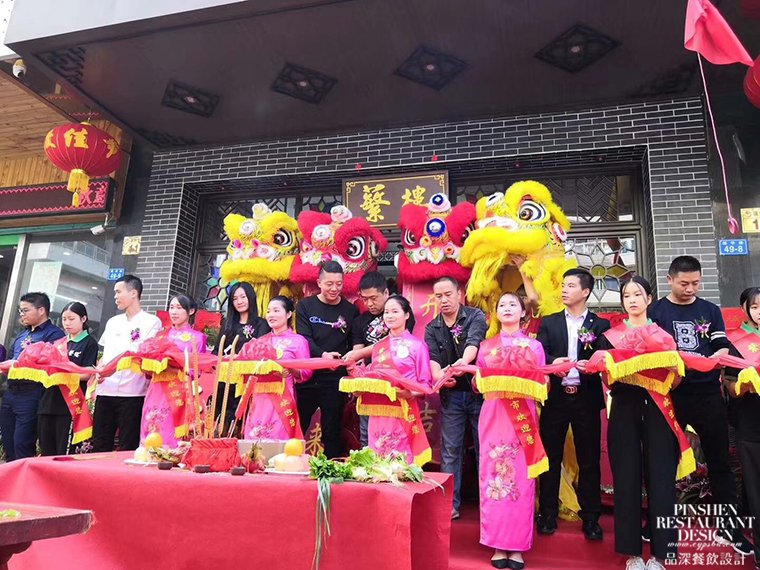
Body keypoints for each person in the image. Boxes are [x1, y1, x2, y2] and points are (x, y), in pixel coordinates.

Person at [648, 256, 752, 555]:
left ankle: (729, 528)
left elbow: (720, 344)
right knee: (663, 462)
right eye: (684, 283)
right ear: (669, 280)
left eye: (695, 283)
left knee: (719, 461)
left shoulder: (709, 310)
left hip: (707, 393)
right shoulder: (656, 311)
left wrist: (716, 356)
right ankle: (658, 527)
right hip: (671, 395)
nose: (690, 289)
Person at [598, 277, 681, 570]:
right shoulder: (610, 337)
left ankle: (661, 554)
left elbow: (676, 378)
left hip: (658, 408)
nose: (632, 300)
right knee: (626, 478)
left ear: (649, 299)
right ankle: (632, 553)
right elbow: (607, 378)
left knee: (662, 479)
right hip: (624, 407)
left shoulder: (664, 334)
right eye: (627, 295)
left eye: (637, 294)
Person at [536, 268, 610, 540]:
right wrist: (552, 362)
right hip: (555, 398)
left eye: (570, 285)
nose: (564, 290)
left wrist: (594, 364)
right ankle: (548, 514)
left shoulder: (600, 325)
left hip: (585, 398)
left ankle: (591, 518)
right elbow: (539, 353)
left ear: (585, 292)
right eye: (563, 285)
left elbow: (606, 356)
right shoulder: (550, 322)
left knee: (588, 459)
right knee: (550, 457)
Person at [477, 292, 546, 570]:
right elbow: (477, 384)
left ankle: (517, 546)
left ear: (523, 312)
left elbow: (543, 384)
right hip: (493, 415)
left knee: (520, 479)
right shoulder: (486, 346)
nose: (507, 308)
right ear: (496, 313)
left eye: (512, 305)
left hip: (522, 419)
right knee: (493, 476)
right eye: (502, 305)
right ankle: (496, 543)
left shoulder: (534, 346)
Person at [425, 276, 487, 520]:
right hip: (451, 396)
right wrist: (440, 377)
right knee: (451, 450)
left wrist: (464, 362)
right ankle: (449, 504)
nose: (443, 300)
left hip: (479, 394)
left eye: (448, 294)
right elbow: (433, 359)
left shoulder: (475, 316)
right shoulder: (432, 327)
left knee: (485, 448)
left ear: (459, 294)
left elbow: (474, 343)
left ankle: (489, 503)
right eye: (438, 296)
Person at [296, 261, 360, 458]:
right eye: (329, 284)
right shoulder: (305, 306)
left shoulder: (350, 311)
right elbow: (303, 339)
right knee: (298, 425)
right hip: (308, 376)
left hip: (335, 378)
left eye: (339, 284)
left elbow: (353, 345)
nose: (334, 288)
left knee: (332, 429)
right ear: (319, 283)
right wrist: (323, 355)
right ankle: (290, 464)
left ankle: (331, 467)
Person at [93, 275, 162, 452]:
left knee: (128, 445)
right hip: (106, 389)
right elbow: (104, 354)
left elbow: (148, 355)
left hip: (133, 392)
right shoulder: (113, 322)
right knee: (100, 443)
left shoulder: (151, 322)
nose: (115, 296)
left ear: (133, 293)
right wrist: (99, 369)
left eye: (118, 292)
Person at [364, 295, 433, 465]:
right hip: (379, 411)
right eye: (386, 312)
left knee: (400, 458)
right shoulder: (378, 347)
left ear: (406, 315)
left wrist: (410, 393)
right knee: (378, 458)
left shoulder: (417, 346)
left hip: (403, 410)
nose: (389, 316)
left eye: (395, 311)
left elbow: (425, 383)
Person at [0, 292, 65, 460]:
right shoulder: (23, 334)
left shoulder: (54, 335)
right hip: (11, 392)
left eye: (26, 310)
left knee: (22, 444)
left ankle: (25, 477)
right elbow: (10, 359)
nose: (22, 314)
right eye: (20, 311)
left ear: (41, 310)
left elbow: (51, 365)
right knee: (8, 443)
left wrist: (18, 364)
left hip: (32, 393)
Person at [240, 296, 312, 439]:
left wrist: (290, 369)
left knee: (278, 436)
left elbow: (306, 373)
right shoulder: (260, 341)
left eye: (276, 311)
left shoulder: (298, 341)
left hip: (283, 399)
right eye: (268, 311)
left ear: (288, 314)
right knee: (254, 437)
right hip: (259, 398)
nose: (271, 315)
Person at [140, 294, 207, 447]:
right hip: (156, 388)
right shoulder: (161, 335)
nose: (174, 312)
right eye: (171, 307)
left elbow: (198, 370)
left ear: (191, 311)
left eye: (179, 308)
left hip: (178, 389)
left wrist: (176, 365)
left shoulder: (197, 338)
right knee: (151, 422)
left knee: (169, 428)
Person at [724, 286, 760, 567]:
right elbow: (730, 386)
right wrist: (745, 384)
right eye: (755, 307)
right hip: (751, 422)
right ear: (745, 309)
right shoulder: (736, 342)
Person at [38, 302, 98, 456]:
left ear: (83, 319)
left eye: (71, 319)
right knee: (46, 450)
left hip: (69, 405)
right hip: (48, 402)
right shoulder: (59, 343)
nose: (67, 323)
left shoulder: (89, 343)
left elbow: (87, 373)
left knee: (62, 451)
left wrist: (63, 376)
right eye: (64, 319)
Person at [344, 271, 391, 447]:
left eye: (374, 298)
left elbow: (395, 341)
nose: (369, 304)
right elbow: (358, 354)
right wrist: (356, 377)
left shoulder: (399, 312)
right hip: (369, 384)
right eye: (365, 299)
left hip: (393, 384)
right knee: (366, 433)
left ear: (386, 293)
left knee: (392, 434)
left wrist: (359, 353)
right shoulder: (359, 321)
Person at [215, 282, 270, 429]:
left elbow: (262, 352)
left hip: (248, 381)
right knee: (223, 422)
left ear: (251, 297)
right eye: (235, 298)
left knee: (244, 421)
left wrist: (241, 356)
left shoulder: (262, 324)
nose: (239, 301)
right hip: (226, 381)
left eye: (243, 297)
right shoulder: (228, 324)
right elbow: (217, 352)